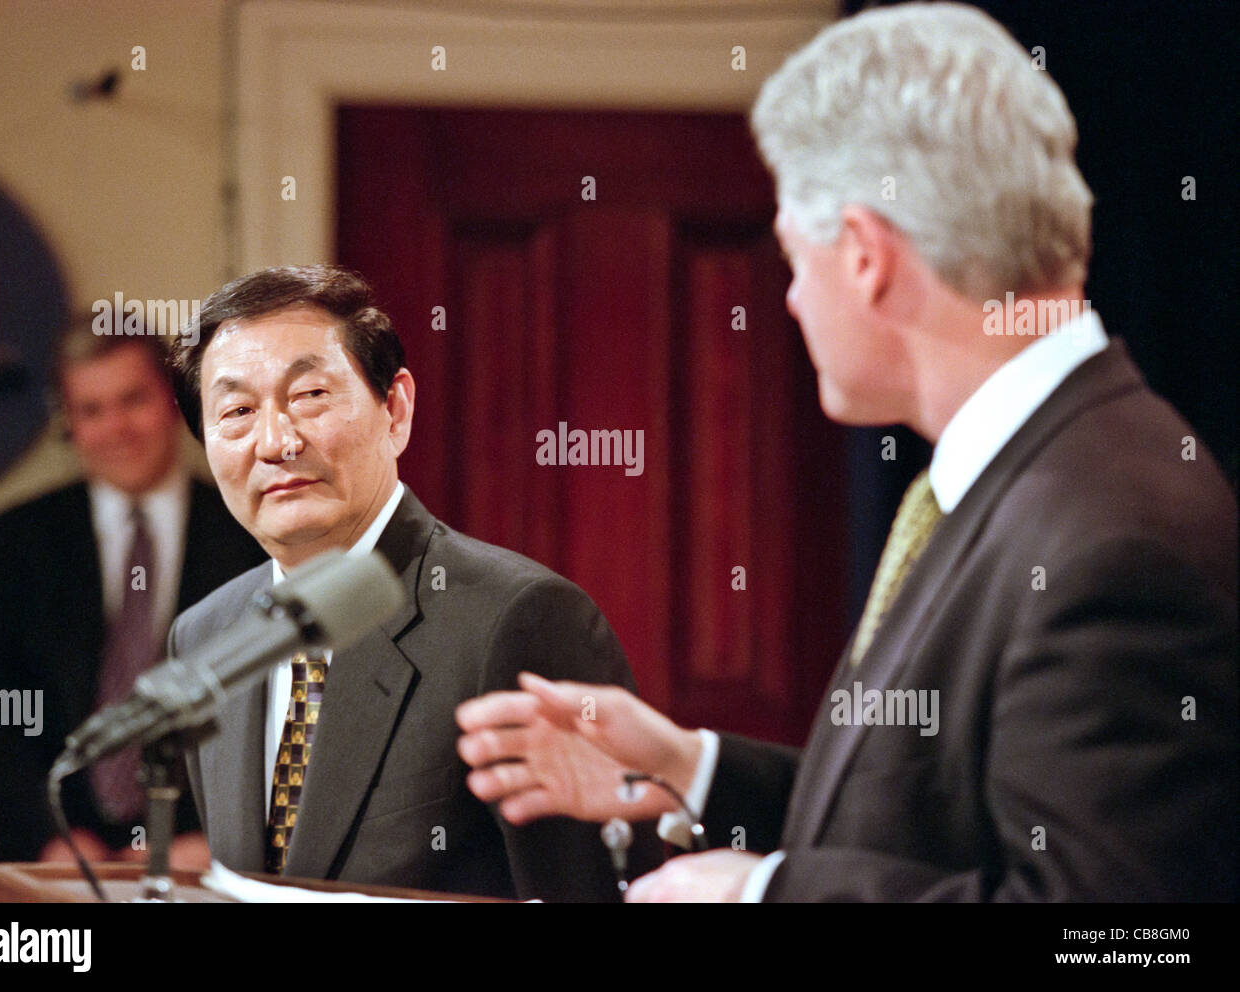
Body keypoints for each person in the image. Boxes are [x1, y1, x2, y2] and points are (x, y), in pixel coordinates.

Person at [454, 2, 1238, 902]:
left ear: (865, 255)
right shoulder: (1032, 473)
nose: (789, 299)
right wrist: (688, 766)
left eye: (794, 256)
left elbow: (1120, 941)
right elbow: (924, 823)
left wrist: (764, 896)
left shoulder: (1110, 534)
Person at [165, 264, 642, 901]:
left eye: (309, 396)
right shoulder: (204, 635)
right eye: (238, 411)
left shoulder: (519, 620)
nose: (276, 441)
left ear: (395, 409)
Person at [0, 321, 265, 867]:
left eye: (132, 399)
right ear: (70, 423)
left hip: (208, 858)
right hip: (50, 860)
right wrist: (52, 835)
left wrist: (215, 834)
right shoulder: (8, 543)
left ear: (173, 399)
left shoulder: (254, 536)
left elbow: (277, 703)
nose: (116, 427)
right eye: (91, 410)